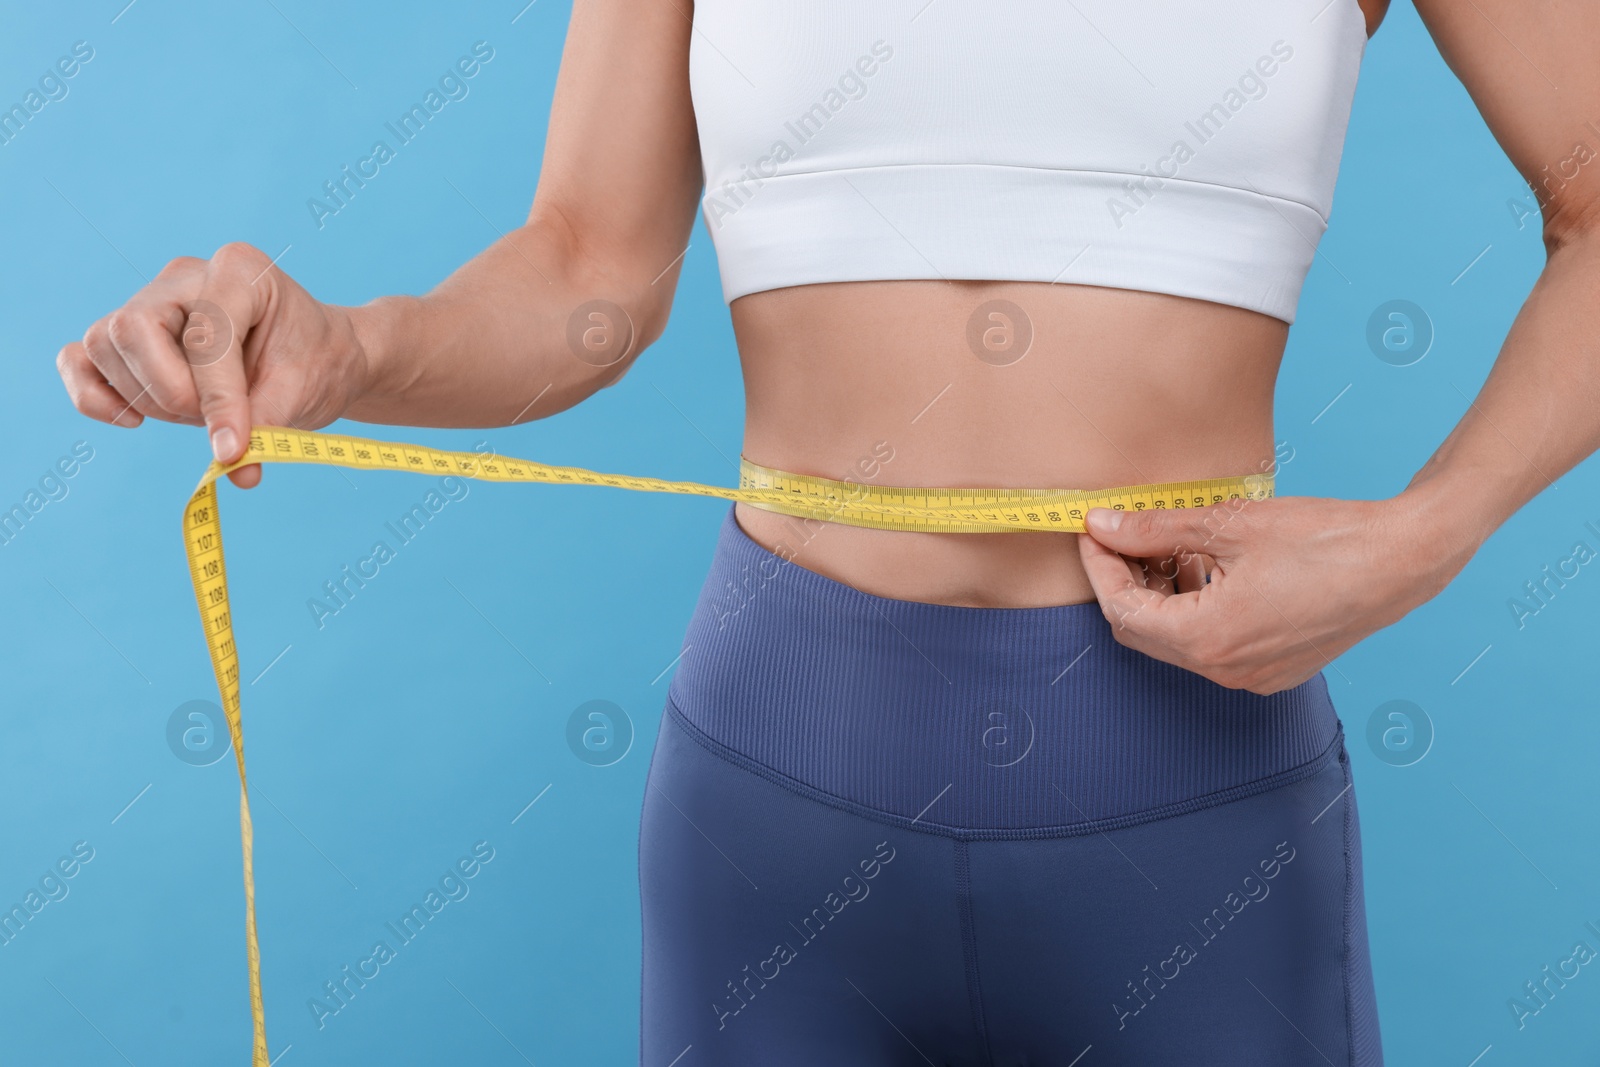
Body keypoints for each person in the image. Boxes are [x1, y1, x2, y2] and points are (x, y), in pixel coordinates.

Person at [54, 0, 1600, 1062]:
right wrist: (351, 348)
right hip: (780, 796)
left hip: (1195, 795)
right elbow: (589, 262)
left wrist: (1423, 537)